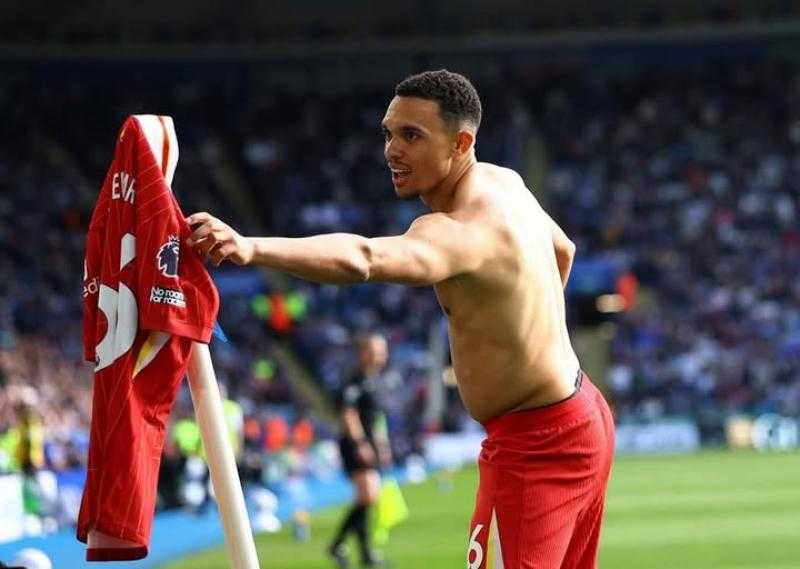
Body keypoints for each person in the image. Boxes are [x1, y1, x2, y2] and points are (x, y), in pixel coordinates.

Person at [187, 69, 615, 569]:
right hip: (581, 413)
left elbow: (364, 258)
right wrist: (530, 333)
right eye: (388, 133)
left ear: (460, 143)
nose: (391, 150)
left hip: (536, 443)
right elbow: (564, 249)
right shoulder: (507, 183)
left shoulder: (457, 230)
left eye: (412, 136)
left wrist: (251, 247)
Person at [328, 332, 393, 567]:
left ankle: (362, 553)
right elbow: (349, 413)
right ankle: (340, 545)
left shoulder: (375, 380)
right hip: (354, 443)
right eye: (375, 351)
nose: (380, 356)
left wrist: (382, 445)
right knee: (368, 495)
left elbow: (376, 418)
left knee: (367, 498)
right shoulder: (354, 379)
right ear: (363, 353)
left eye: (382, 352)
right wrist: (360, 443)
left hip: (370, 442)